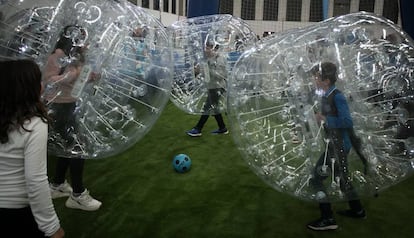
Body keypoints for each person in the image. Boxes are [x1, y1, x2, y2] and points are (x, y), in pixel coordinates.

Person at [0, 59, 65, 237]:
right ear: (28, 89)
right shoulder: (34, 124)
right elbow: (35, 180)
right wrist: (52, 227)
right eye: (38, 81)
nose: (42, 85)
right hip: (16, 213)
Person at [43, 25, 102, 211]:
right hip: (57, 108)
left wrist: (89, 77)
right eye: (82, 40)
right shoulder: (58, 56)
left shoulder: (75, 57)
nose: (86, 44)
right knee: (78, 147)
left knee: (68, 146)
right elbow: (49, 81)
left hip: (68, 106)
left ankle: (57, 184)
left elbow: (73, 81)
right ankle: (77, 194)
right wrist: (75, 74)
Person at [307, 62, 366, 231]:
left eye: (317, 77)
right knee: (342, 179)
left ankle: (327, 218)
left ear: (326, 80)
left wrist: (325, 120)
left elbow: (347, 121)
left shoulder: (337, 96)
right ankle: (358, 210)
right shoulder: (326, 93)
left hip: (338, 145)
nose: (314, 80)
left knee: (316, 179)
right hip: (335, 144)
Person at [186, 42, 229, 137]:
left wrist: (207, 69)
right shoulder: (208, 59)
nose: (205, 50)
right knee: (215, 108)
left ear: (213, 49)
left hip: (218, 87)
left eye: (208, 48)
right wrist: (197, 71)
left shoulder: (220, 59)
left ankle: (198, 129)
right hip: (211, 87)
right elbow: (206, 75)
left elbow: (221, 75)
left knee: (207, 108)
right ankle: (222, 128)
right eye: (205, 48)